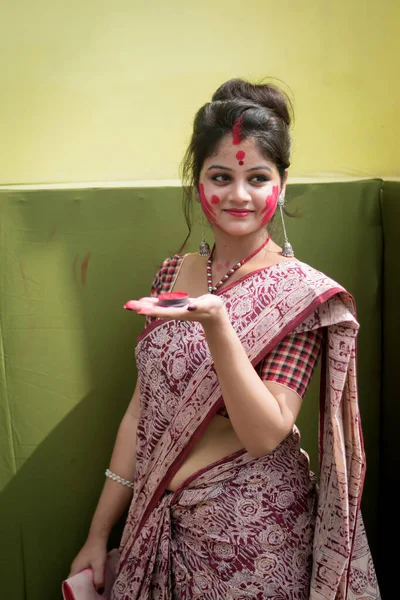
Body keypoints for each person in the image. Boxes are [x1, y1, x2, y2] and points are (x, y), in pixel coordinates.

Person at [68, 78, 380, 599]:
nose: (239, 195)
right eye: (221, 176)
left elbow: (264, 433)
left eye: (258, 177)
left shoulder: (301, 295)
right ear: (198, 185)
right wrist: (99, 535)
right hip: (159, 527)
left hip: (256, 539)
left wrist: (218, 324)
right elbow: (142, 412)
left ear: (282, 185)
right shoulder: (171, 274)